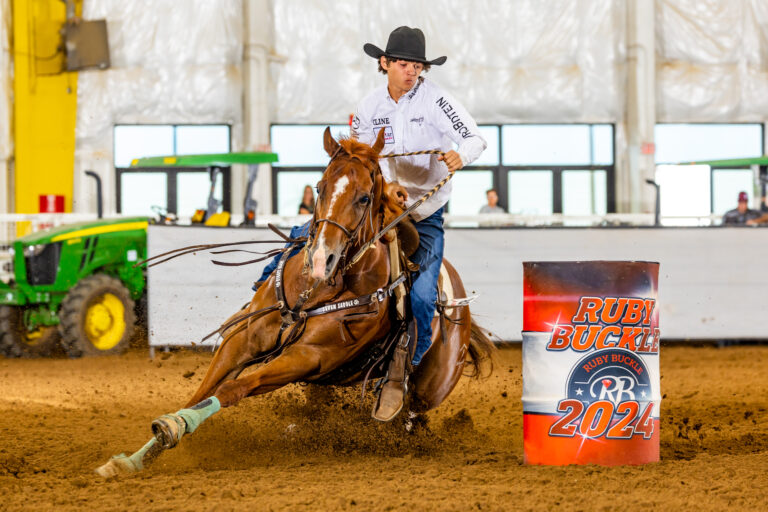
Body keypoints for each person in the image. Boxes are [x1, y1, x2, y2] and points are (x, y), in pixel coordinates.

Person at [254, 26, 486, 420]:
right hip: (376, 204)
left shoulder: (439, 102)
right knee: (303, 241)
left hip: (423, 213)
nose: (410, 71)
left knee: (422, 297)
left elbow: (475, 137)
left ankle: (400, 373)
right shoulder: (368, 107)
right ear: (385, 64)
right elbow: (363, 160)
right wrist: (386, 185)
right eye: (402, 64)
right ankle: (260, 311)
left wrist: (460, 156)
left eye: (416, 65)